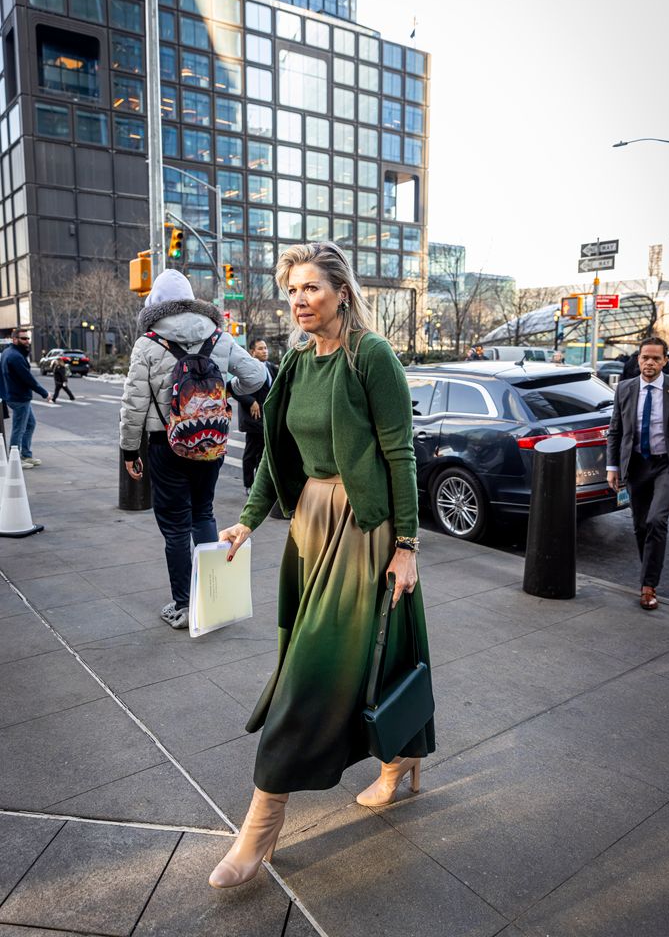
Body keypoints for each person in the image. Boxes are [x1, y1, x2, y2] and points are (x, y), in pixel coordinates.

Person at [208, 241, 435, 890]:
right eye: (291, 291)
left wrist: (406, 546)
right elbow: (276, 459)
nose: (299, 301)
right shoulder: (296, 364)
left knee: (309, 673)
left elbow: (400, 456)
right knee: (373, 654)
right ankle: (402, 758)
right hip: (308, 524)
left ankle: (260, 827)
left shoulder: (372, 356)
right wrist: (248, 522)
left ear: (341, 291)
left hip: (362, 528)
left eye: (310, 287)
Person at [119, 269, 266, 630]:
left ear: (155, 303)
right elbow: (258, 376)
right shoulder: (219, 337)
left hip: (165, 445)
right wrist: (225, 389)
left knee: (174, 527)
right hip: (211, 445)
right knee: (203, 514)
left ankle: (184, 606)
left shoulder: (149, 344)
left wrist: (128, 451)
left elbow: (134, 403)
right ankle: (210, 597)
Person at [607, 336, 669, 611]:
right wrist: (613, 467)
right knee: (640, 526)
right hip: (636, 465)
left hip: (668, 465)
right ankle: (648, 576)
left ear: (665, 361)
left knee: (656, 520)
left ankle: (648, 586)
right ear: (638, 359)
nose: (649, 362)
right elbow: (615, 430)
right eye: (644, 357)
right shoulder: (625, 388)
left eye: (655, 358)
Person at [0, 328, 53, 468]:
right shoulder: (15, 356)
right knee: (19, 428)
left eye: (28, 338)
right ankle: (15, 459)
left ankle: (26, 455)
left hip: (14, 395)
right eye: (23, 338)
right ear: (15, 339)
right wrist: (44, 393)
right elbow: (28, 379)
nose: (27, 341)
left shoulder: (8, 353)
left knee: (30, 424)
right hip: (19, 397)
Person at [234, 338, 278, 494]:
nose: (264, 351)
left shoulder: (272, 368)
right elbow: (234, 388)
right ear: (252, 352)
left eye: (265, 348)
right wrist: (251, 401)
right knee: (251, 453)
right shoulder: (247, 368)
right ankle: (248, 484)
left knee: (264, 454)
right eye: (260, 348)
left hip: (268, 419)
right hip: (253, 418)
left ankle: (261, 485)